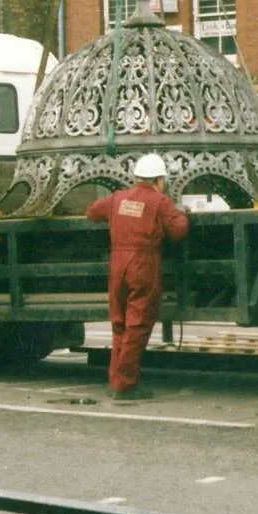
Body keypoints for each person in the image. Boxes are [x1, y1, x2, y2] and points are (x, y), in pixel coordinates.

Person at [86, 153, 189, 400]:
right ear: (159, 179)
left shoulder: (118, 198)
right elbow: (178, 231)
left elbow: (91, 212)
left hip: (118, 264)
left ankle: (116, 379)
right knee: (137, 325)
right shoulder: (160, 201)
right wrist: (181, 212)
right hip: (143, 264)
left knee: (119, 324)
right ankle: (125, 385)